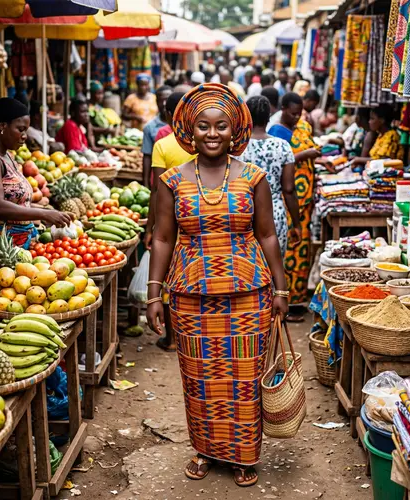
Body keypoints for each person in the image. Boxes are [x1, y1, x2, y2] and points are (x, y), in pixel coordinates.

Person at [147, 83, 288, 487]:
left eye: (221, 126)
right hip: (191, 297)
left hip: (248, 294)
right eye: (203, 126)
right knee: (200, 376)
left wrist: (280, 289)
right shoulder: (172, 180)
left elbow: (267, 236)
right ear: (189, 130)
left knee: (244, 378)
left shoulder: (254, 177)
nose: (212, 134)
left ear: (235, 130)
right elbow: (161, 237)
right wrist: (154, 293)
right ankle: (206, 449)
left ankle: (245, 454)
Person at [0, 98, 73, 249]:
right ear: (2, 126)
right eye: (20, 129)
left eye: (26, 130)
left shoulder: (7, 155)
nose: (25, 136)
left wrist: (47, 211)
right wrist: (43, 214)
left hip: (18, 242)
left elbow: (16, 202)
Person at [144, 92, 197, 352]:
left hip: (169, 219)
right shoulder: (200, 142)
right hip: (195, 218)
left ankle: (172, 337)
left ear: (167, 115)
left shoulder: (163, 145)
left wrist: (150, 227)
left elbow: (157, 190)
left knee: (168, 275)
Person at [268, 92, 321, 322]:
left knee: (300, 248)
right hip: (288, 201)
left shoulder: (301, 127)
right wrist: (305, 154)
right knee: (287, 250)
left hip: (303, 200)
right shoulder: (276, 132)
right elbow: (279, 163)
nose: (297, 117)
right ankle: (283, 301)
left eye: (299, 113)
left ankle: (297, 298)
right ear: (282, 109)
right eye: (292, 113)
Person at [239, 96, 301, 255]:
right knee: (275, 268)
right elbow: (289, 189)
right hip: (275, 214)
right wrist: (297, 224)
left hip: (243, 213)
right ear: (269, 117)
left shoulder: (238, 148)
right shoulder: (282, 146)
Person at [351, 104, 404, 169]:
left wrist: (359, 159)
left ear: (382, 120)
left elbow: (383, 161)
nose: (369, 122)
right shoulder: (381, 135)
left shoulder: (391, 135)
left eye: (372, 118)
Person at [141, 85, 173, 187]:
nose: (164, 104)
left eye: (167, 100)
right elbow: (147, 156)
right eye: (160, 100)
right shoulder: (150, 127)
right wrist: (145, 183)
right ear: (156, 102)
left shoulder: (184, 125)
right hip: (159, 179)